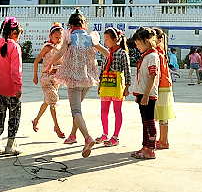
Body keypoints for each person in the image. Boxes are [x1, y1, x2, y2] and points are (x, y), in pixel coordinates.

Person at [53, 9, 108, 158]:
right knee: (77, 110)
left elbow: (60, 53)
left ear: (70, 25)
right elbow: (106, 52)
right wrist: (112, 60)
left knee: (76, 111)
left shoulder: (69, 37)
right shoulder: (90, 38)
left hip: (73, 79)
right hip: (87, 79)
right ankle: (72, 135)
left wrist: (49, 64)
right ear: (84, 24)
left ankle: (87, 138)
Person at [0, 17, 24, 156]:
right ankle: (10, 146)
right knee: (14, 116)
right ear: (13, 33)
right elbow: (16, 71)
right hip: (11, 89)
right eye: (18, 34)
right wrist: (18, 87)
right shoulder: (14, 47)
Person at [96, 27, 131, 147]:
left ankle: (115, 136)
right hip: (106, 82)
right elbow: (102, 68)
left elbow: (127, 70)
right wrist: (100, 83)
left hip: (117, 84)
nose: (105, 42)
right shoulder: (107, 53)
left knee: (117, 111)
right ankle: (105, 133)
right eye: (104, 39)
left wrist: (127, 86)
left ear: (115, 39)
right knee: (103, 111)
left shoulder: (122, 53)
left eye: (107, 39)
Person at [129, 27, 159, 160]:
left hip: (148, 94)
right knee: (145, 122)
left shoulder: (152, 56)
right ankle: (145, 146)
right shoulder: (146, 55)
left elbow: (153, 76)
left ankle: (150, 149)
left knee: (149, 122)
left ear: (146, 41)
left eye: (138, 43)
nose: (137, 46)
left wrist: (146, 95)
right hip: (142, 93)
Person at [31, 23, 65, 139]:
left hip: (56, 79)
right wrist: (35, 75)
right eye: (56, 37)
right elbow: (36, 61)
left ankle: (36, 120)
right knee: (53, 102)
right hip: (46, 78)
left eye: (60, 37)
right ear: (50, 36)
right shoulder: (47, 47)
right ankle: (57, 126)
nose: (58, 39)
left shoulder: (61, 48)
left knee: (47, 101)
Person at [154, 28, 176, 150]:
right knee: (163, 115)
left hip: (161, 86)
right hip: (164, 85)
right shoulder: (161, 52)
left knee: (162, 115)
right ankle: (163, 140)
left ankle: (163, 141)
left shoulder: (158, 53)